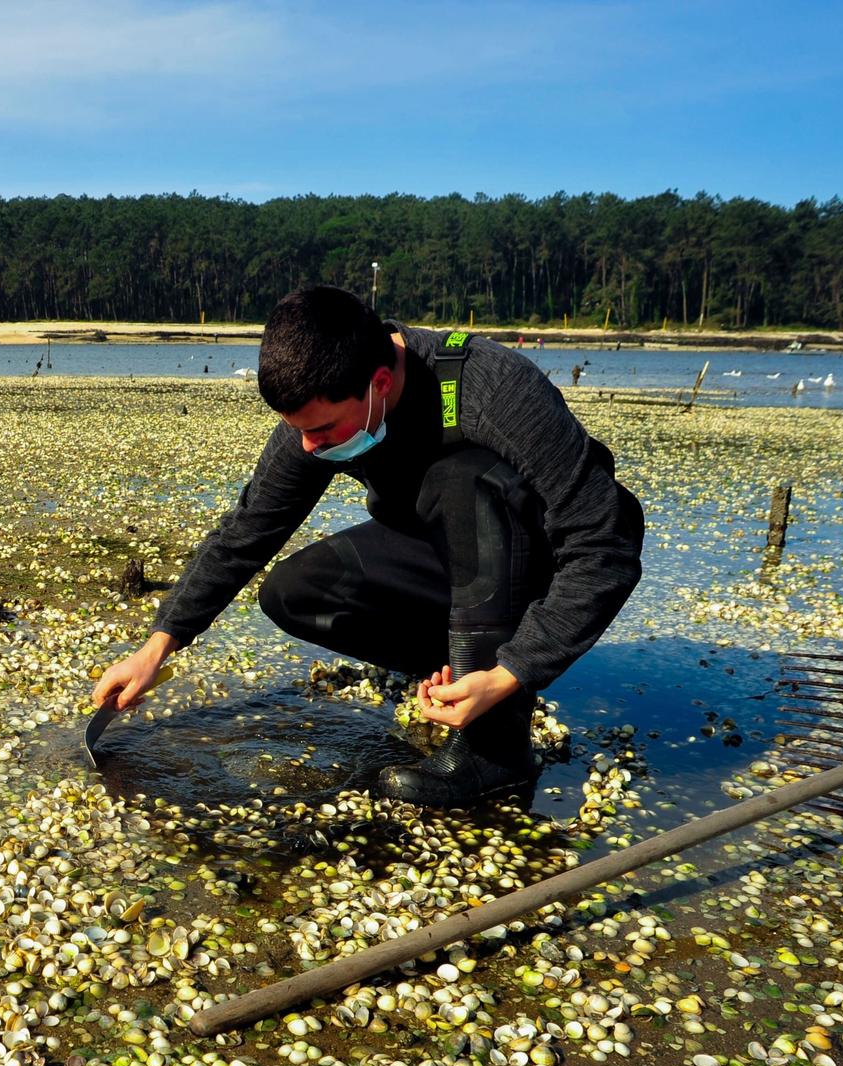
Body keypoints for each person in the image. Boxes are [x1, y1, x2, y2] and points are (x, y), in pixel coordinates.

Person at [92, 287, 644, 808]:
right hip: (447, 555)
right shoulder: (321, 405)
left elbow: (606, 543)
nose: (309, 446)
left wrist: (512, 673)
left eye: (324, 430)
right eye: (298, 431)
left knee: (464, 480)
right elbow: (245, 532)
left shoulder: (492, 389)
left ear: (380, 381)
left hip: (541, 557)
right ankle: (462, 665)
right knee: (293, 592)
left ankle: (495, 749)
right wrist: (157, 647)